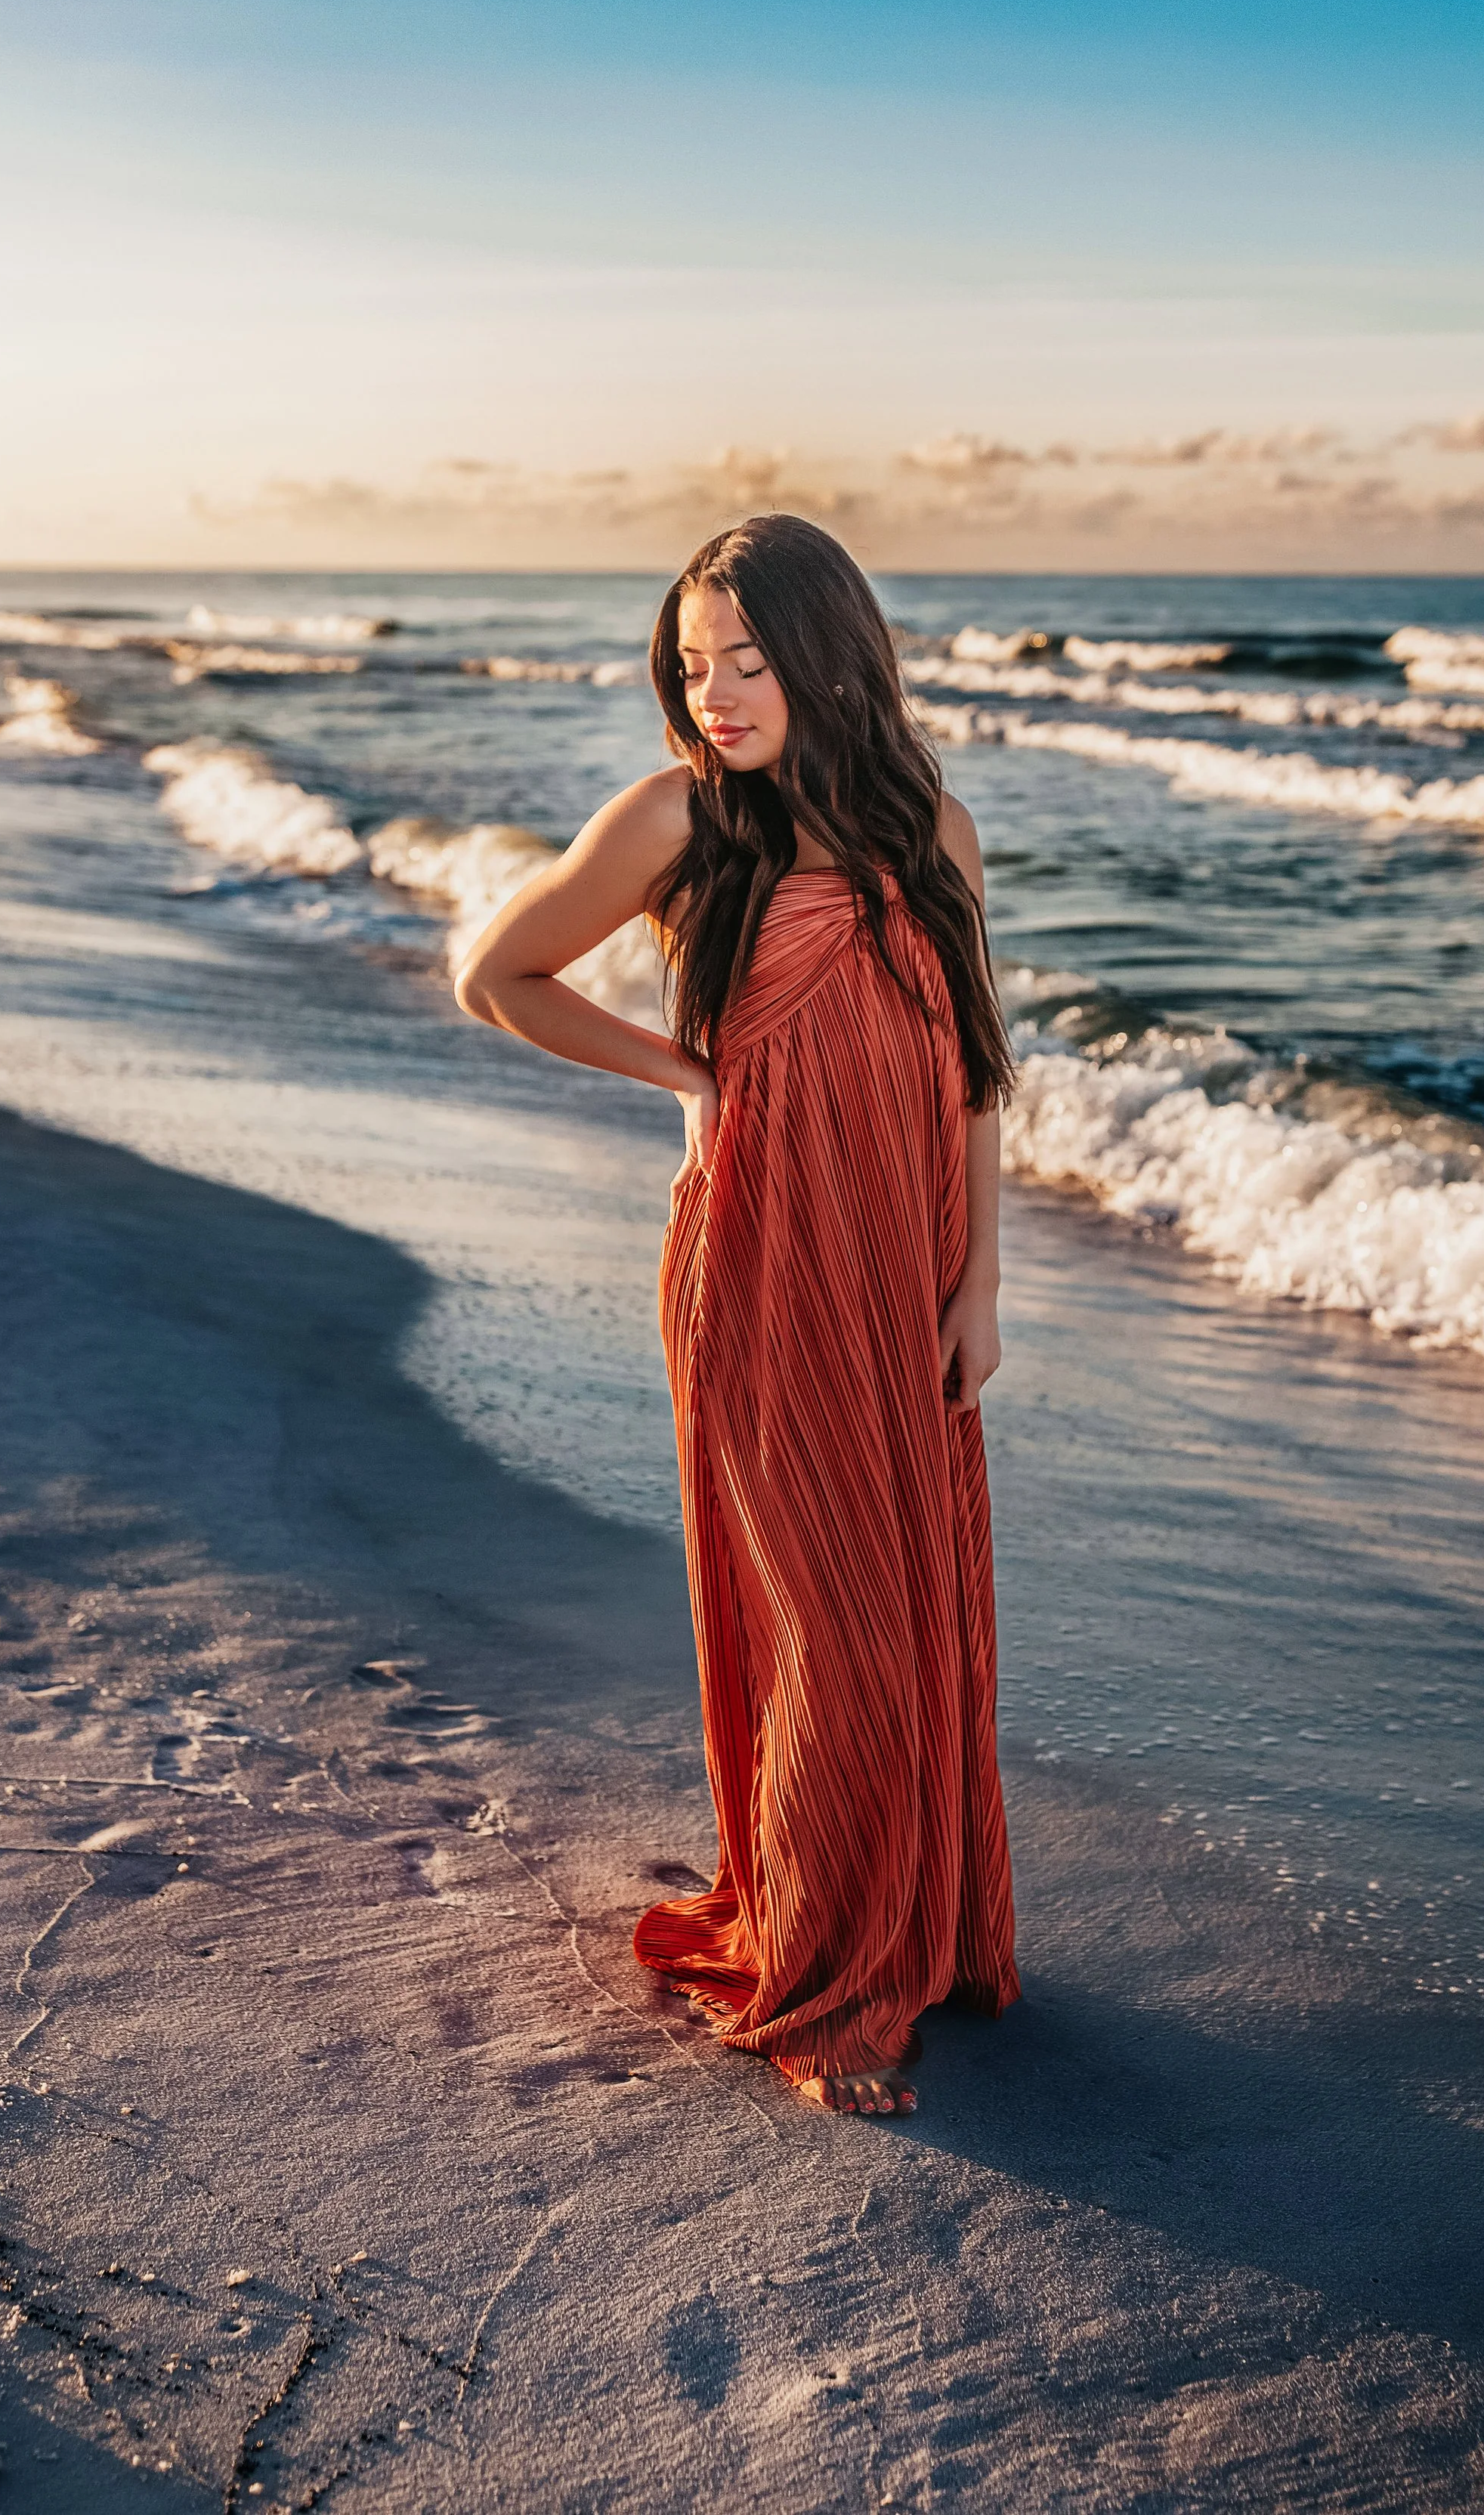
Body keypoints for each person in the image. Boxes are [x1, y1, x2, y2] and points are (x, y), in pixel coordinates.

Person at [453, 514, 1020, 2117]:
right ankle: (834, 1976)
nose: (715, 693)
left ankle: (913, 1923)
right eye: (692, 665)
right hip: (760, 1261)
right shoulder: (676, 820)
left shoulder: (934, 832)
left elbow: (976, 1073)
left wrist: (979, 1281)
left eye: (748, 661)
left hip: (903, 1269)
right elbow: (498, 973)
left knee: (910, 1605)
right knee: (823, 1614)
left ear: (829, 651)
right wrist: (690, 1077)